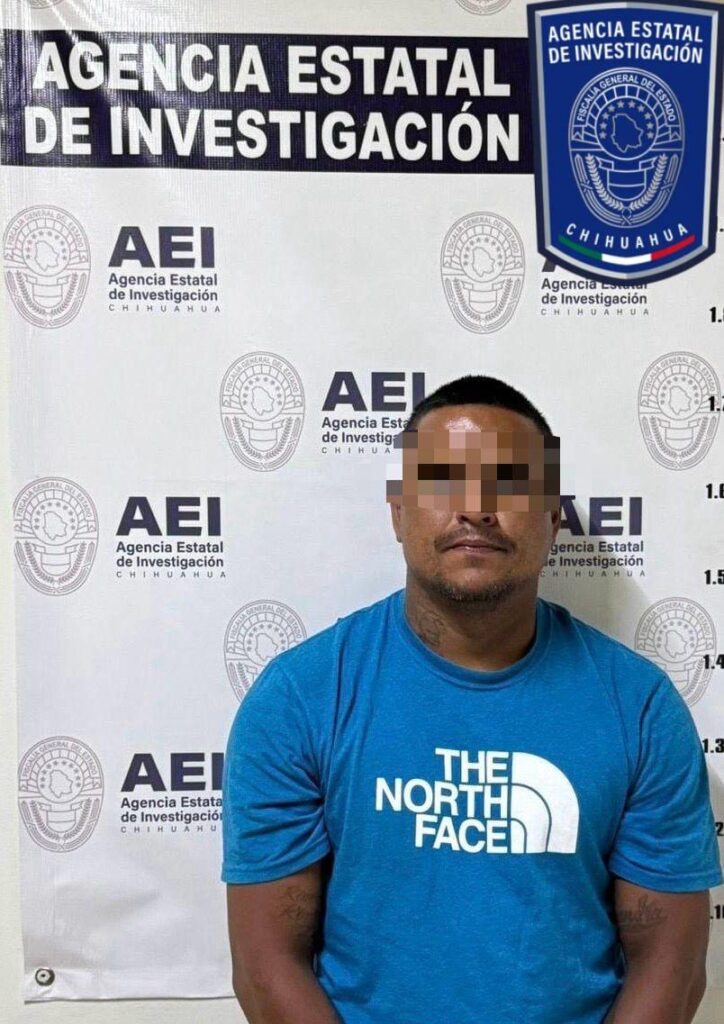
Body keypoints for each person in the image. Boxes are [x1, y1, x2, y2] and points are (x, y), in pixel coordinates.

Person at [221, 374, 722, 1024]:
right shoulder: (300, 698)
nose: (477, 508)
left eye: (509, 481)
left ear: (553, 516)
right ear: (398, 511)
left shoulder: (641, 709)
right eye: (443, 479)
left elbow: (670, 968)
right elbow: (266, 968)